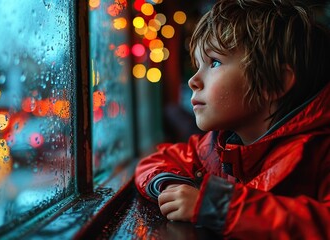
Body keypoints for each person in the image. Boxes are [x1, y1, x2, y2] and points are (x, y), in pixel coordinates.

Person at [135, 0, 330, 239]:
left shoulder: (320, 154)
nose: (193, 81)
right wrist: (172, 186)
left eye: (214, 62)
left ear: (274, 82)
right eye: (197, 65)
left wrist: (219, 207)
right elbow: (158, 160)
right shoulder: (218, 147)